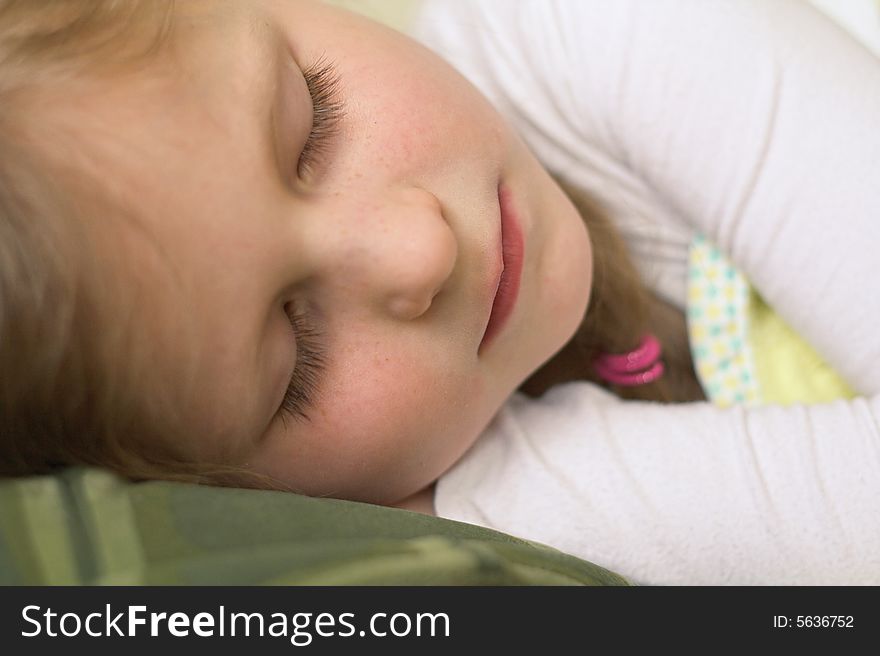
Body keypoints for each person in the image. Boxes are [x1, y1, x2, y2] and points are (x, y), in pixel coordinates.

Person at [0, 0, 877, 585]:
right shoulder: (448, 542)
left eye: (313, 119)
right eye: (295, 361)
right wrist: (491, 501)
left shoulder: (587, 25)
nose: (419, 250)